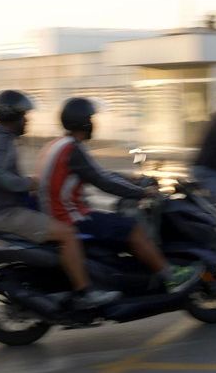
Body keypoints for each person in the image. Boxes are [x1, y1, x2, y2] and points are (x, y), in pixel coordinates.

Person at [38, 97, 202, 294]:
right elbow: (103, 181)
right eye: (91, 118)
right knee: (133, 228)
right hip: (70, 216)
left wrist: (131, 180)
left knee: (116, 223)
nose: (93, 123)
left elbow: (99, 173)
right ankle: (170, 277)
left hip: (58, 213)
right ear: (83, 122)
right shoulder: (73, 149)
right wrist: (141, 192)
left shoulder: (60, 144)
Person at [0, 90, 118, 308]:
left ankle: (62, 281)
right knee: (67, 233)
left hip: (3, 208)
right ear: (11, 115)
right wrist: (25, 183)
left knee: (54, 222)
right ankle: (85, 292)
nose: (27, 119)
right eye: (24, 115)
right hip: (4, 212)